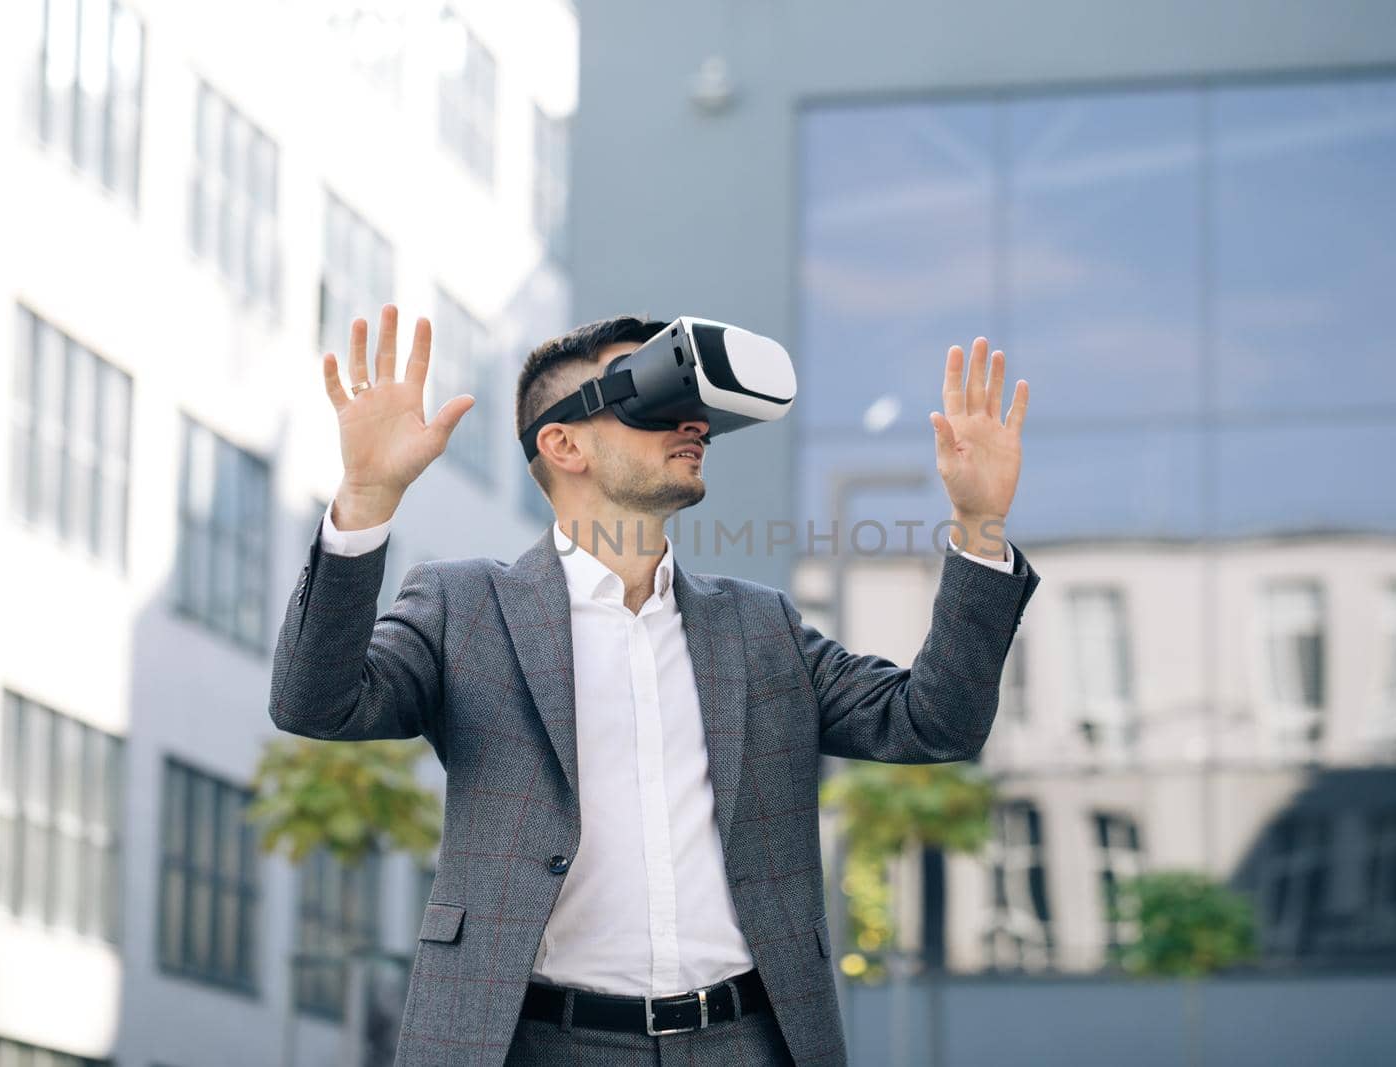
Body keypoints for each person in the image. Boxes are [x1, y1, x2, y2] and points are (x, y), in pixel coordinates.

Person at [269, 306, 1039, 1066]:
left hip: (745, 1040)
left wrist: (978, 525)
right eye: (654, 398)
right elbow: (316, 702)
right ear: (564, 442)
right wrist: (366, 502)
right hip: (529, 1041)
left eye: (696, 407)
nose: (694, 424)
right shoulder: (465, 608)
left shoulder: (758, 626)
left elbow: (934, 722)